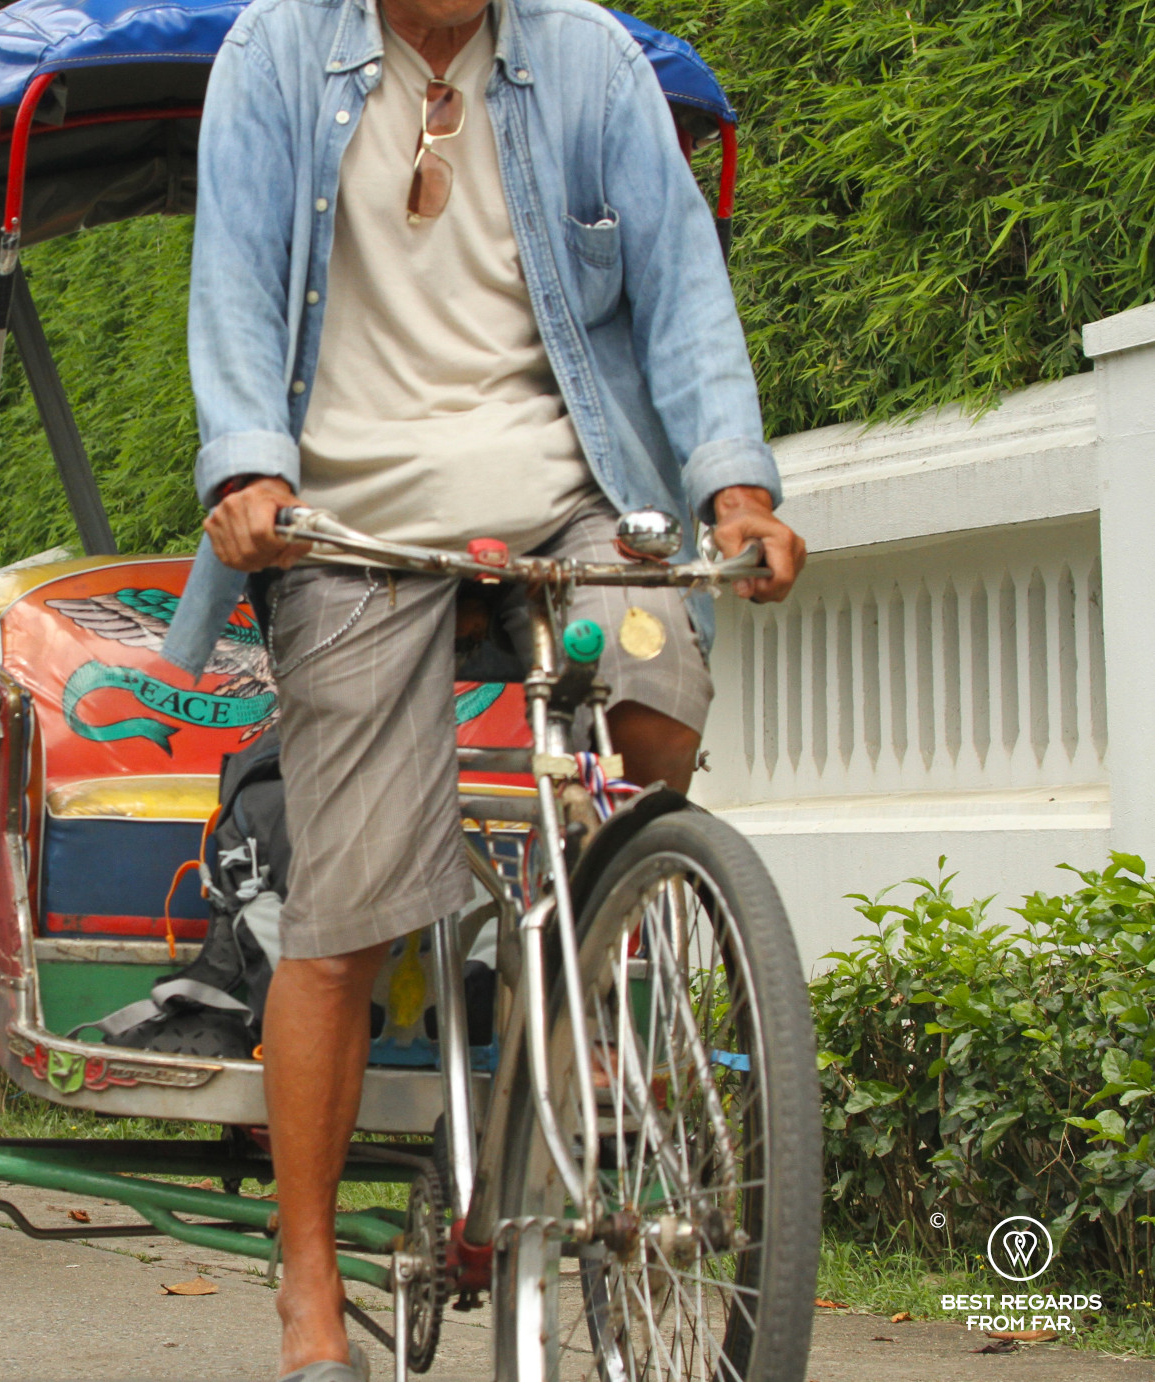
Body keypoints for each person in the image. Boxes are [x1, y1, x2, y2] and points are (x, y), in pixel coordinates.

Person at [160, 1, 808, 1376]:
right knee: (339, 904)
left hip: (577, 496)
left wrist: (733, 489)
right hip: (348, 517)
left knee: (656, 679)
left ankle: (573, 1000)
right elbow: (227, 288)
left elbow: (684, 283)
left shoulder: (585, 56)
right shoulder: (274, 55)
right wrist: (244, 469)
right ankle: (309, 1282)